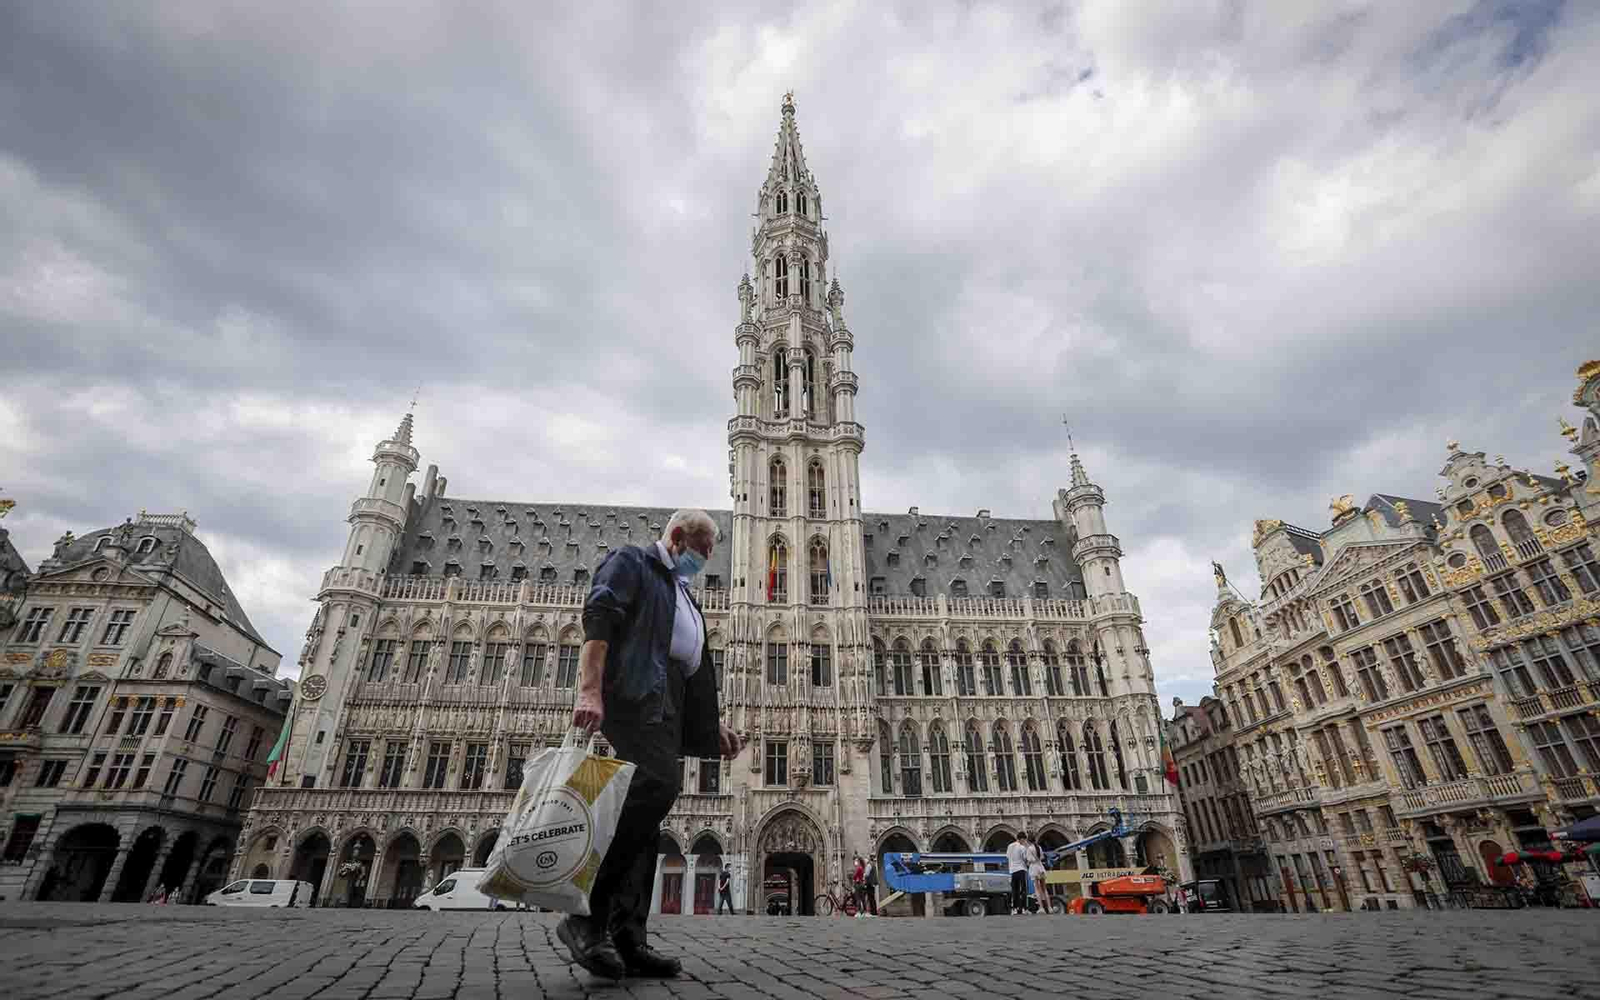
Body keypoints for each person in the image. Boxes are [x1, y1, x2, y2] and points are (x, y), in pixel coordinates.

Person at [560, 509, 744, 980]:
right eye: (704, 550)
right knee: (657, 787)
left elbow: (691, 664)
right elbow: (599, 620)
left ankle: (628, 937)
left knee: (647, 824)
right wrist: (589, 690)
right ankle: (585, 916)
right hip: (634, 696)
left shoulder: (681, 590)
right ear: (679, 537)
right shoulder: (632, 562)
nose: (707, 559)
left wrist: (710, 729)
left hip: (668, 706)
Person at [1026, 837, 1050, 915]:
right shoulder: (1039, 847)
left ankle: (1041, 908)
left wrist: (1028, 863)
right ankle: (1049, 907)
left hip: (1034, 869)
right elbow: (1042, 857)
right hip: (1041, 868)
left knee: (1037, 889)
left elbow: (1029, 860)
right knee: (1044, 889)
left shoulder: (1029, 849)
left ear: (1029, 841)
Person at [1006, 834, 1030, 914]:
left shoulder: (1010, 846)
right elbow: (1025, 858)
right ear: (1022, 839)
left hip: (1013, 870)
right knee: (1023, 890)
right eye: (1024, 840)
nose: (1024, 842)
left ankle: (1014, 909)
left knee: (1014, 890)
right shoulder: (1022, 847)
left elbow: (1008, 857)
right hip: (1021, 869)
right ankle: (1024, 908)